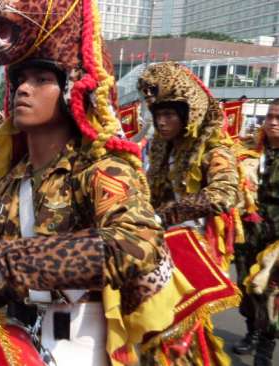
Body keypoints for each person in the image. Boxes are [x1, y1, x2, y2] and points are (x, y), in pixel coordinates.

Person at [0, 1, 177, 364]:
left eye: (42, 80)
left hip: (78, 344)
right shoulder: (13, 179)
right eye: (20, 79)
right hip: (14, 335)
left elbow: (136, 243)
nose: (24, 89)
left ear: (72, 90)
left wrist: (8, 265)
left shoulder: (100, 168)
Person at [140, 62, 241, 364]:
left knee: (182, 330)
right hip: (163, 245)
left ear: (188, 115)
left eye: (169, 114)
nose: (161, 121)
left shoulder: (215, 150)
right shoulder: (160, 150)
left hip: (197, 246)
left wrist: (169, 213)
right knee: (154, 323)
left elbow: (225, 193)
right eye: (158, 114)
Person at [233, 99, 279, 366]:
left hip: (276, 240)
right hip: (248, 233)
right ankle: (252, 331)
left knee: (270, 293)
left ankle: (265, 345)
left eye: (278, 117)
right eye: (270, 116)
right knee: (245, 288)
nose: (273, 121)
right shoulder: (249, 151)